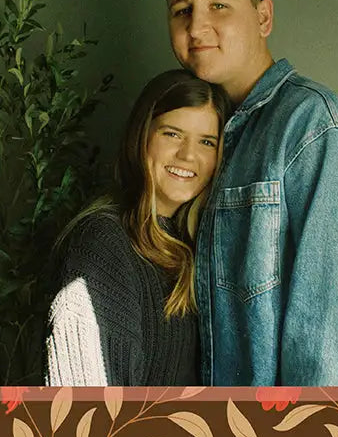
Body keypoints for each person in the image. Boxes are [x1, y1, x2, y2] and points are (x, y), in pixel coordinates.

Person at [163, 0, 338, 387]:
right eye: (182, 10)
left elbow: (336, 369)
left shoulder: (322, 134)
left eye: (218, 6)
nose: (196, 28)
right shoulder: (209, 141)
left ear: (263, 17)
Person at [43, 70, 230, 386]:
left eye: (207, 142)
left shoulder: (199, 246)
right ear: (141, 135)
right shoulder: (102, 243)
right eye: (172, 134)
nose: (188, 154)